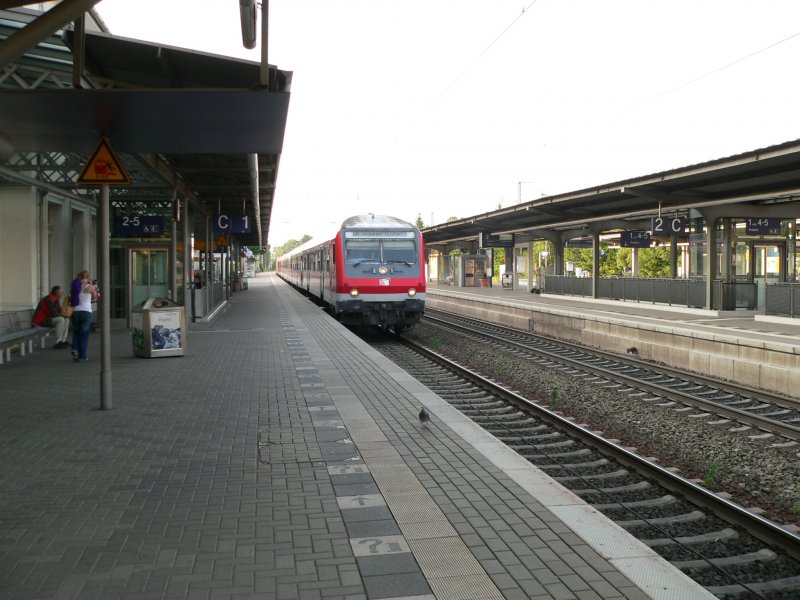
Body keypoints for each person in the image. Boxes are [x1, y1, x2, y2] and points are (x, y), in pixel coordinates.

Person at [70, 270, 98, 362]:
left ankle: (74, 349)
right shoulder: (90, 287)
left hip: (76, 312)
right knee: (84, 335)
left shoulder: (75, 286)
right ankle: (82, 356)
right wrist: (93, 286)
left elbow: (71, 297)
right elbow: (95, 298)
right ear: (87, 277)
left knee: (76, 332)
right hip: (86, 312)